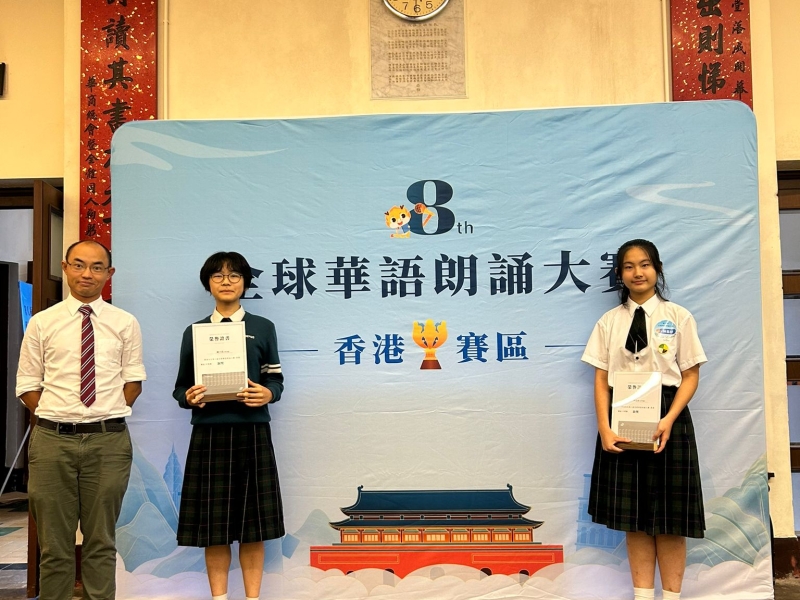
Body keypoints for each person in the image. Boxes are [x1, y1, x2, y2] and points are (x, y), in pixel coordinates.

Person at [16, 240, 146, 600]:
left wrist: (98, 413)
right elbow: (27, 384)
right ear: (65, 268)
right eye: (78, 264)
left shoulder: (125, 323)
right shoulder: (43, 323)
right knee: (54, 546)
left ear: (109, 273)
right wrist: (61, 414)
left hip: (108, 442)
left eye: (96, 267)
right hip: (51, 442)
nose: (87, 273)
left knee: (101, 541)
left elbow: (133, 382)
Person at [581, 239, 706, 600]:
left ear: (657, 269)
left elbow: (691, 375)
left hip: (668, 415)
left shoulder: (678, 317)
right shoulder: (609, 322)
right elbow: (601, 380)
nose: (638, 272)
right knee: (633, 518)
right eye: (629, 266)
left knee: (670, 519)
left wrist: (669, 418)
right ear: (619, 274)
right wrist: (604, 428)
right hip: (621, 415)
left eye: (645, 264)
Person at [173, 251, 284, 600]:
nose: (226, 281)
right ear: (208, 284)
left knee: (254, 527)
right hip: (209, 434)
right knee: (214, 527)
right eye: (218, 276)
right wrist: (189, 397)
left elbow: (276, 380)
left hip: (252, 431)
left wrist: (268, 393)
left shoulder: (263, 327)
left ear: (245, 283)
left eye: (234, 275)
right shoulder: (194, 332)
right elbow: (180, 387)